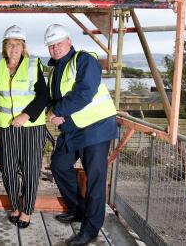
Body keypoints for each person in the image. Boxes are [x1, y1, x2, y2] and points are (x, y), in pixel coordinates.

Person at [44, 24, 117, 246]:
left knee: (95, 179)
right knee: (58, 165)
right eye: (51, 45)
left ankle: (91, 228)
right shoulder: (56, 69)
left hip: (96, 128)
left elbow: (85, 92)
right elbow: (56, 99)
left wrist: (58, 112)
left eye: (58, 43)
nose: (55, 48)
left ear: (69, 41)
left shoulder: (84, 60)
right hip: (73, 129)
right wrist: (54, 112)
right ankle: (78, 209)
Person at [0, 25, 48, 229]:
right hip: (6, 126)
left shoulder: (34, 64)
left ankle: (27, 210)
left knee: (30, 170)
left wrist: (25, 115)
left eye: (18, 44)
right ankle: (14, 206)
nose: (14, 48)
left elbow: (43, 96)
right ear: (5, 46)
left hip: (32, 126)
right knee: (9, 169)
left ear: (23, 47)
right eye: (10, 44)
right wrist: (4, 110)